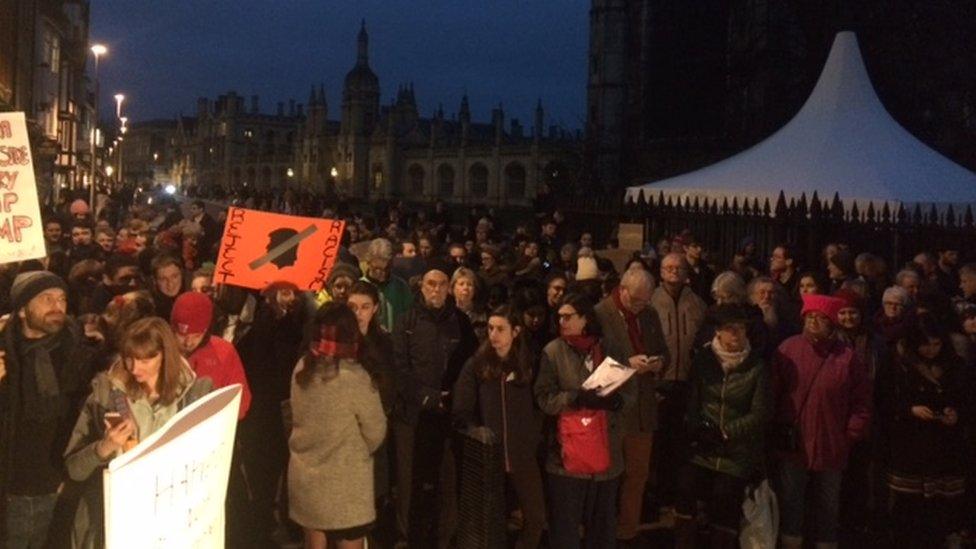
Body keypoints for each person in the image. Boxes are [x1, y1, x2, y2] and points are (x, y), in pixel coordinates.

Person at [63, 317, 212, 547]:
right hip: (112, 519)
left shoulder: (195, 395)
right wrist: (103, 448)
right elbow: (73, 469)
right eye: (129, 358)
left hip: (168, 521)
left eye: (145, 359)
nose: (134, 368)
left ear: (165, 355)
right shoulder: (106, 393)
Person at [0, 272, 96, 548]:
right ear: (21, 310)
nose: (58, 307)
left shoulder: (79, 353)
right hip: (11, 490)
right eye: (46, 299)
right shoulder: (5, 355)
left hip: (60, 488)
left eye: (62, 299)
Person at [771, 293, 872, 549]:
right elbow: (773, 391)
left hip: (832, 441)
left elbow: (861, 399)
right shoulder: (788, 349)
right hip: (795, 441)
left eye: (820, 318)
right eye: (810, 317)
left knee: (829, 502)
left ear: (831, 323)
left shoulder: (847, 357)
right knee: (792, 498)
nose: (814, 322)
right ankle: (791, 541)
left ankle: (826, 543)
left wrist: (851, 433)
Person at [287, 304, 387, 549]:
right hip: (346, 484)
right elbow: (376, 431)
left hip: (306, 479)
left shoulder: (302, 368)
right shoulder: (355, 377)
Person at [535, 292, 629, 549]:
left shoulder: (610, 348)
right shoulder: (553, 352)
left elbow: (629, 393)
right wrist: (577, 398)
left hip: (606, 456)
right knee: (565, 529)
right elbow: (544, 398)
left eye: (568, 316)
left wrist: (617, 402)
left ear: (586, 318)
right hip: (567, 457)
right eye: (559, 317)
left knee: (603, 528)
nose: (562, 321)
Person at [392, 267, 478, 548]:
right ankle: (410, 537)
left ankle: (444, 537)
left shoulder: (461, 323)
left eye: (442, 284)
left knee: (447, 479)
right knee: (410, 481)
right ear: (422, 287)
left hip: (448, 415)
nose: (436, 289)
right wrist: (427, 396)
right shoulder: (406, 322)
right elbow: (400, 369)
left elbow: (470, 366)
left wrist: (454, 399)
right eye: (431, 283)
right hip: (414, 414)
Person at [675, 304, 770, 548]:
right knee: (686, 489)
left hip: (736, 450)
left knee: (725, 500)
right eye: (730, 329)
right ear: (718, 332)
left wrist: (727, 431)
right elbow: (693, 400)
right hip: (703, 445)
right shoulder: (705, 360)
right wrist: (700, 429)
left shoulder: (756, 365)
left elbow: (759, 413)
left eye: (741, 329)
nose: (736, 335)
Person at [452, 306, 546, 549]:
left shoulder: (528, 363)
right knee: (490, 523)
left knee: (535, 516)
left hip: (521, 453)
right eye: (490, 328)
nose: (493, 334)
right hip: (488, 456)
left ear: (515, 331)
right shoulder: (477, 364)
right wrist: (476, 431)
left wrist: (532, 436)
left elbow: (540, 403)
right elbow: (462, 407)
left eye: (500, 329)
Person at [880, 315, 969, 547]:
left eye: (936, 344)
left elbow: (966, 398)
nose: (931, 350)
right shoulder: (898, 363)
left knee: (940, 509)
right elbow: (884, 399)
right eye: (925, 344)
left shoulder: (955, 364)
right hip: (910, 444)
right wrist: (910, 409)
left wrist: (956, 412)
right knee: (909, 508)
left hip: (944, 446)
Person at [594, 267, 668, 541]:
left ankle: (627, 531)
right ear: (622, 290)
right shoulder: (600, 314)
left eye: (645, 301)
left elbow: (664, 350)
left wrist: (659, 363)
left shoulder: (648, 314)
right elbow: (592, 364)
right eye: (636, 300)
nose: (641, 306)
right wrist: (628, 364)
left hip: (642, 409)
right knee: (609, 475)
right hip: (615, 407)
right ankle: (602, 530)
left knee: (638, 475)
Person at [651, 252, 707, 507]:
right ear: (661, 271)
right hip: (659, 382)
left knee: (681, 442)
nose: (673, 271)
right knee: (658, 442)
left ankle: (678, 495)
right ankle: (657, 493)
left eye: (679, 267)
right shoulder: (650, 301)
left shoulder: (697, 304)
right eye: (668, 267)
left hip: (686, 381)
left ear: (686, 273)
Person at [170, 292, 251, 419]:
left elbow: (241, 402)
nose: (188, 342)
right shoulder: (161, 351)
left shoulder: (223, 351)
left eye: (196, 336)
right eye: (182, 335)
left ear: (206, 331)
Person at [363, 238, 413, 333]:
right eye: (377, 268)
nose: (382, 274)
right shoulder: (359, 287)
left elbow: (409, 316)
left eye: (386, 269)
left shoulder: (401, 286)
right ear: (368, 263)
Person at [451, 267, 487, 341]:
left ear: (475, 289)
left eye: (469, 284)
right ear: (453, 288)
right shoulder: (447, 314)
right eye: (461, 284)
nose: (465, 288)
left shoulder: (482, 315)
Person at [149, 254, 185, 320]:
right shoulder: (150, 309)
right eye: (163, 279)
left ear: (182, 274)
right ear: (154, 281)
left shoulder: (194, 294)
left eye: (174, 276)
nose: (170, 284)